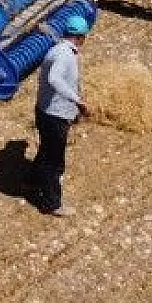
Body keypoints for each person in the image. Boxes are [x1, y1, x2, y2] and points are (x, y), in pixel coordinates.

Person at [32, 13, 91, 216]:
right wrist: (78, 100)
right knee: (54, 162)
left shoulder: (58, 48)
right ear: (82, 37)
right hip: (54, 116)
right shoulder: (65, 55)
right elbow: (55, 78)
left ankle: (31, 180)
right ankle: (52, 204)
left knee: (46, 152)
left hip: (44, 111)